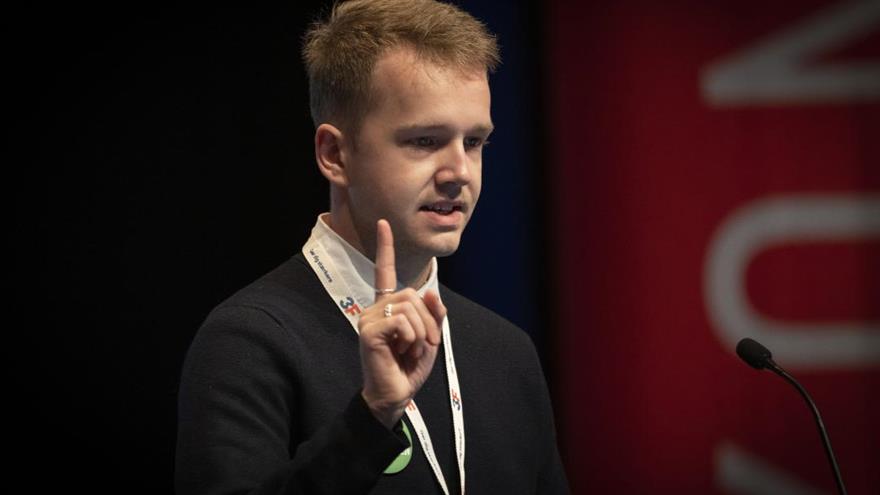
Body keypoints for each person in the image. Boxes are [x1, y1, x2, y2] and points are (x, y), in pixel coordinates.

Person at [175, 0, 569, 493]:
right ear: (335, 154)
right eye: (425, 141)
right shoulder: (249, 341)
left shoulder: (507, 352)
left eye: (474, 142)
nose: (459, 173)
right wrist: (373, 415)